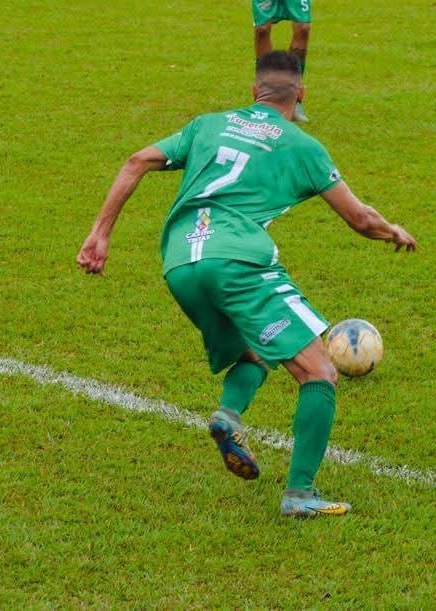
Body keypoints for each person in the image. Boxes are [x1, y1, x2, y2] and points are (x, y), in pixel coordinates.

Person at [77, 51, 416, 518]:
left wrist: (100, 235)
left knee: (255, 349)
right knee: (319, 372)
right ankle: (300, 495)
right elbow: (359, 218)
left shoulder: (208, 124)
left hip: (180, 263)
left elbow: (137, 161)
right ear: (300, 95)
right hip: (238, 261)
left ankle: (228, 415)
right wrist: (392, 230)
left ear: (254, 91)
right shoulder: (303, 146)